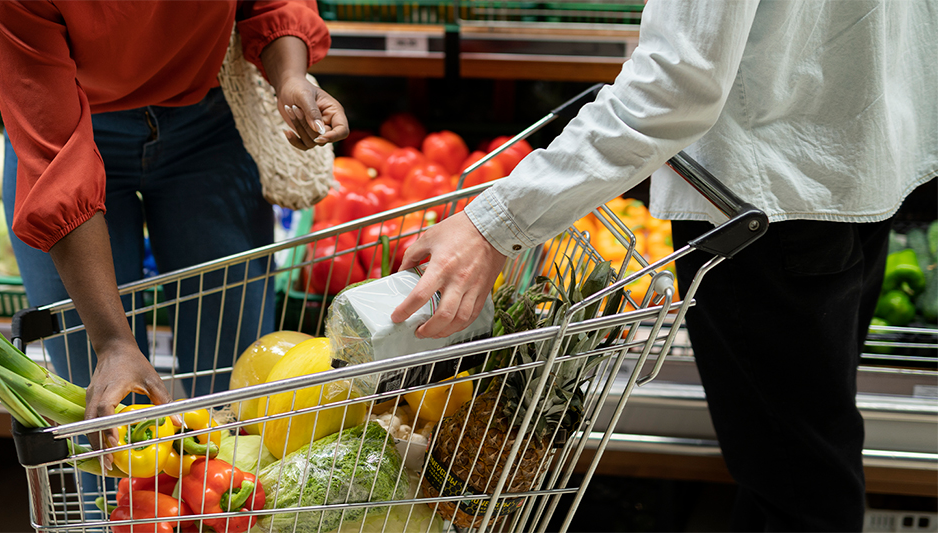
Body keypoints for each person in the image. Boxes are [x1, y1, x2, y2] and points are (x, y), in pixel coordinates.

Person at [391, 0, 936, 530]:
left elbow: (676, 84)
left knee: (804, 487)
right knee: (792, 462)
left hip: (759, 203)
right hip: (849, 167)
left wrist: (492, 225)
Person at [0, 0, 348, 448]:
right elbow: (58, 164)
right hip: (67, 123)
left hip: (209, 123)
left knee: (234, 400)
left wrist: (289, 74)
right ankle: (113, 513)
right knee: (99, 407)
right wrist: (113, 342)